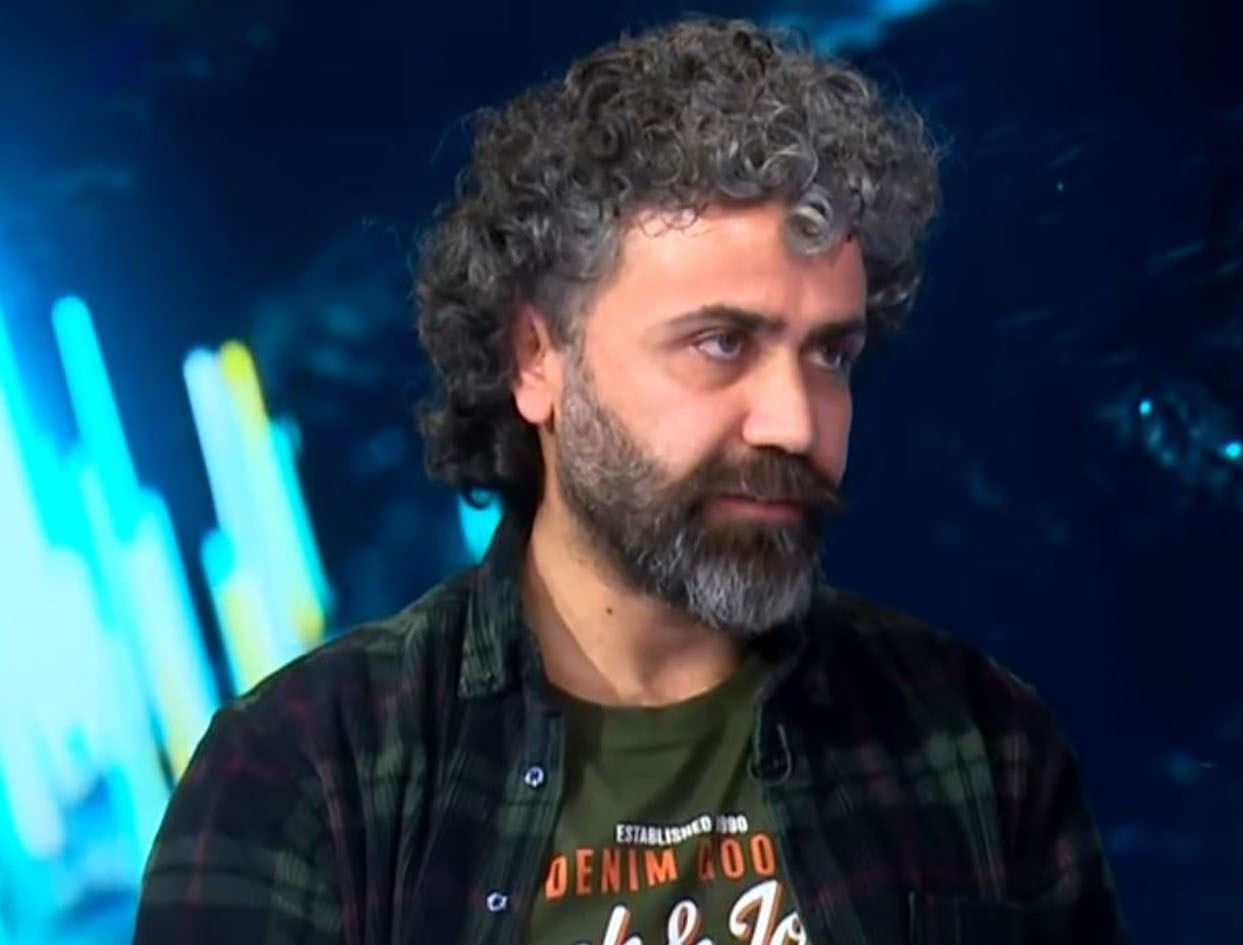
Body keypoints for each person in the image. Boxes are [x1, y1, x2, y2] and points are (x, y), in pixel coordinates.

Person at [135, 16, 1129, 945]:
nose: (794, 422)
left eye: (830, 353)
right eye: (720, 342)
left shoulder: (980, 746)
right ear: (536, 359)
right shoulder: (304, 779)